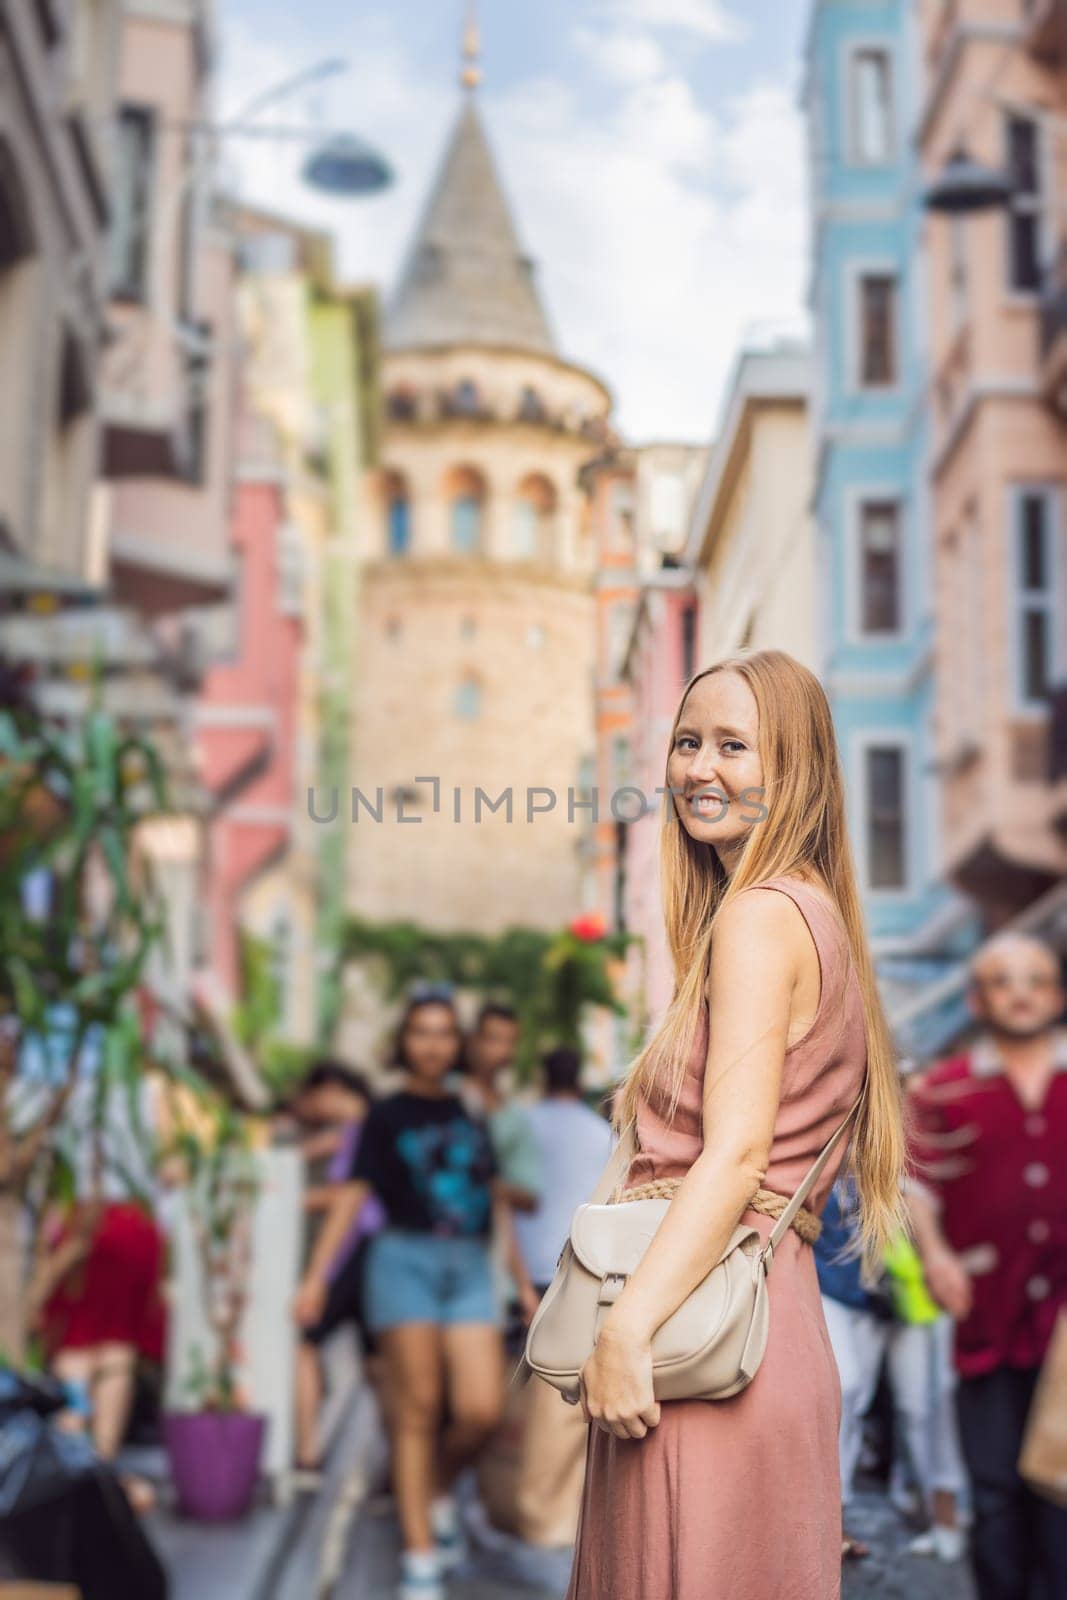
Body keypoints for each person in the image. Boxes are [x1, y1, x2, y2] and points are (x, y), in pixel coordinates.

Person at [565, 648, 906, 1600]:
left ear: (790, 771)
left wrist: (625, 1331)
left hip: (702, 1341)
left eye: (732, 747)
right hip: (756, 1324)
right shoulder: (810, 915)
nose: (696, 769)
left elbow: (738, 1153)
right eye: (685, 742)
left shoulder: (759, 917)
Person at [293, 993, 518, 1600]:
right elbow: (351, 1195)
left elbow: (492, 1194)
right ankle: (419, 1554)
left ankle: (437, 1489)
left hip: (470, 1264)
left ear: (457, 1043)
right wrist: (316, 1276)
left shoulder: (471, 1109)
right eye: (421, 1032)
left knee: (481, 1410)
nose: (433, 1044)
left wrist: (519, 1280)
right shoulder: (385, 1114)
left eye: (444, 1033)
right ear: (405, 1040)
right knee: (415, 1411)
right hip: (402, 1260)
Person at [906, 931, 1067, 1600]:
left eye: (1035, 979)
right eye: (1003, 980)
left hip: (1065, 1325)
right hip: (986, 1315)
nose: (1021, 992)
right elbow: (913, 1186)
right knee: (995, 1486)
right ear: (975, 998)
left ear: (1056, 995)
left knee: (1059, 1487)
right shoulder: (942, 1090)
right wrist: (935, 1255)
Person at [507, 1046, 614, 1547]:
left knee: (514, 1400)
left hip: (516, 1273)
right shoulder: (601, 1135)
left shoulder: (522, 1123)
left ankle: (518, 1502)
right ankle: (553, 1511)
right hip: (572, 1273)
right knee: (561, 1403)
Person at [288, 1060, 385, 1480]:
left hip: (356, 1250)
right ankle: (397, 1463)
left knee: (305, 1342)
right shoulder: (365, 1129)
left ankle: (307, 1453)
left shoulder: (359, 1132)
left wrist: (295, 1200)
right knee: (379, 1362)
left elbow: (345, 1199)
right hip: (379, 1250)